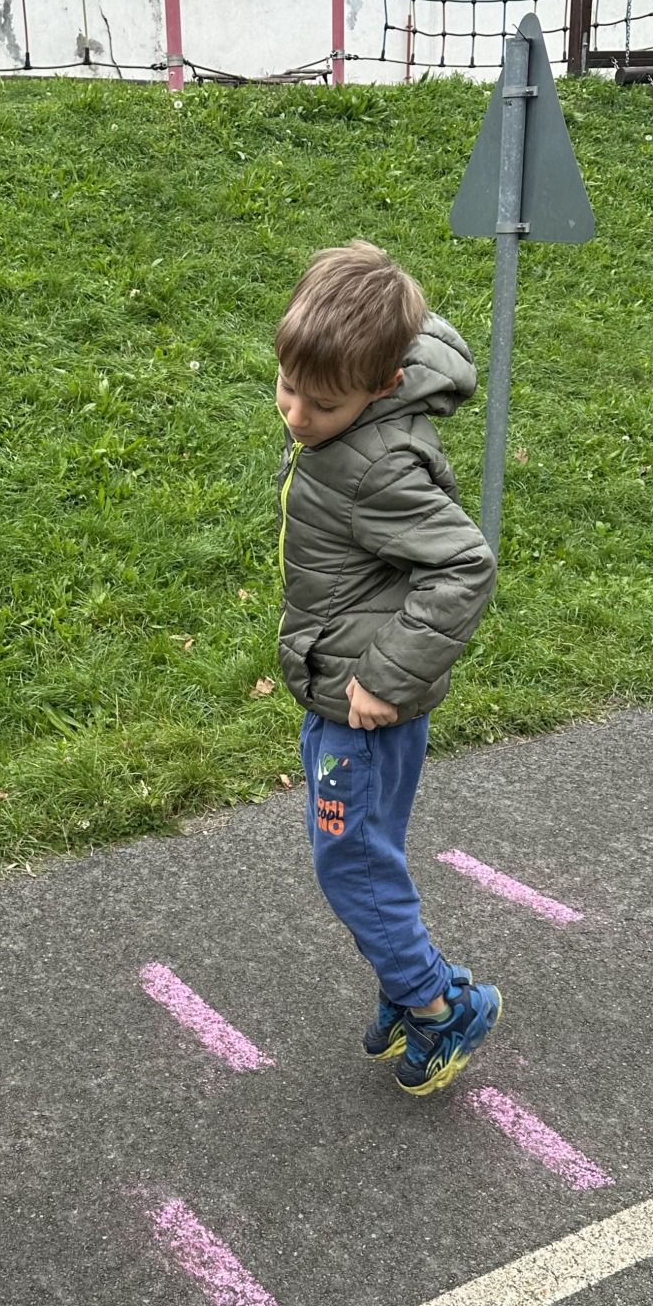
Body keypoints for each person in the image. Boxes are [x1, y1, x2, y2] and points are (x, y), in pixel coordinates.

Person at [276, 241, 500, 1096]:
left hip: (365, 708)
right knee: (359, 855)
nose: (297, 415)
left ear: (385, 386)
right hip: (338, 689)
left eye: (322, 403)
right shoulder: (348, 430)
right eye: (288, 387)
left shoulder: (376, 466)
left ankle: (440, 1006)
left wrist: (385, 677)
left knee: (352, 864)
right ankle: (406, 985)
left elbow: (465, 567)